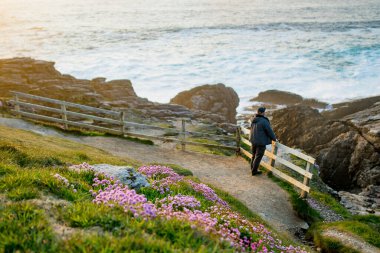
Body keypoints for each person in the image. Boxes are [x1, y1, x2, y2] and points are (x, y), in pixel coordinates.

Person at [250, 107, 277, 176]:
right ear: (261, 113)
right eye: (264, 112)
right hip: (260, 142)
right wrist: (274, 139)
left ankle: (252, 168)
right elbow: (269, 131)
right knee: (258, 156)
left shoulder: (254, 119)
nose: (265, 113)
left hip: (253, 140)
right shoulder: (264, 121)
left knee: (254, 155)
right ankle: (254, 171)